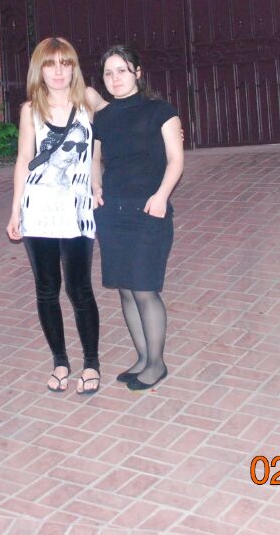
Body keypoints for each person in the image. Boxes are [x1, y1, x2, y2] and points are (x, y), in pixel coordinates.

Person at [6, 37, 107, 395]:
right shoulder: (30, 109)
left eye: (66, 63)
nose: (59, 71)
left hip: (77, 208)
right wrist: (15, 210)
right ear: (40, 69)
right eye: (51, 64)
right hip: (39, 208)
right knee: (47, 289)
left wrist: (165, 126)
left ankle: (91, 363)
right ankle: (60, 361)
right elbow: (23, 160)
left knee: (80, 288)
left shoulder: (88, 99)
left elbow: (123, 118)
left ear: (74, 67)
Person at [91, 45, 184, 391]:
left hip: (148, 211)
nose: (115, 78)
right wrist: (95, 187)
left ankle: (156, 364)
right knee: (126, 290)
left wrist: (161, 196)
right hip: (112, 212)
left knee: (145, 289)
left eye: (122, 70)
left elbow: (176, 159)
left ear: (138, 73)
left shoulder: (160, 111)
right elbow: (94, 158)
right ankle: (143, 358)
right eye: (108, 73)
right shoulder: (102, 116)